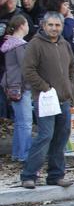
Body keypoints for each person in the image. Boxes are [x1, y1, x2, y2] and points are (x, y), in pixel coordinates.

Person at [20, 11, 74, 189]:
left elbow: (73, 68)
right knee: (45, 136)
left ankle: (56, 175)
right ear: (43, 26)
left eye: (57, 25)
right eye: (50, 25)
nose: (54, 28)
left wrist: (70, 87)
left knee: (61, 137)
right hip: (44, 100)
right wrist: (45, 88)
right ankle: (28, 176)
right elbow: (28, 71)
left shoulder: (64, 44)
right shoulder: (35, 44)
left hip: (63, 100)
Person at [2, 16, 33, 161]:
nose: (28, 27)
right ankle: (24, 155)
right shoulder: (20, 46)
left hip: (12, 86)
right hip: (22, 87)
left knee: (20, 122)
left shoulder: (10, 44)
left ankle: (17, 153)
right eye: (27, 24)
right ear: (22, 25)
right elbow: (26, 66)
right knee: (26, 123)